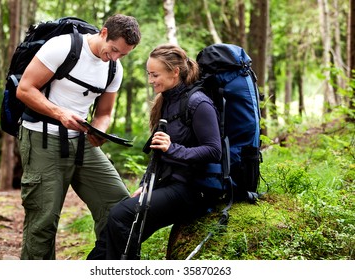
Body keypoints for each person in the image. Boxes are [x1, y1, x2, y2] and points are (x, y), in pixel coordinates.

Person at [16, 14, 141, 260]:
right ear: (103, 33)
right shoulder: (63, 47)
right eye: (114, 50)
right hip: (42, 137)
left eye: (123, 54)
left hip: (82, 142)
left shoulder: (114, 67)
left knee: (118, 205)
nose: (115, 57)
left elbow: (104, 113)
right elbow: (25, 89)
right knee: (44, 219)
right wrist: (59, 113)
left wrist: (99, 129)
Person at [87, 44, 222, 260]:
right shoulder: (167, 101)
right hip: (169, 184)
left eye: (155, 74)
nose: (150, 80)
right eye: (149, 74)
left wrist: (173, 148)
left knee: (121, 215)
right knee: (117, 229)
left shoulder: (198, 102)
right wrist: (145, 185)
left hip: (194, 190)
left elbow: (214, 151)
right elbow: (157, 154)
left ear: (175, 72)